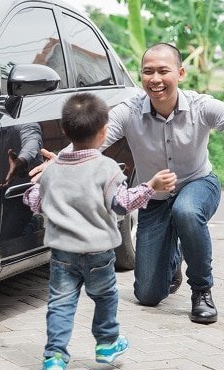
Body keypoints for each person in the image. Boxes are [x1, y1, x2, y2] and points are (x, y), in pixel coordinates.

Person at [31, 43, 224, 326]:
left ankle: (201, 291)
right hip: (154, 198)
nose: (155, 78)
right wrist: (59, 164)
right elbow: (94, 140)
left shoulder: (201, 106)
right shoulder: (129, 111)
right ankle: (174, 256)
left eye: (163, 71)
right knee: (148, 295)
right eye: (148, 71)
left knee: (186, 212)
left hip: (198, 184)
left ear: (180, 73)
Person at [23, 92, 175, 370]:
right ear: (104, 132)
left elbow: (36, 204)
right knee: (105, 296)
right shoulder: (107, 168)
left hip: (62, 253)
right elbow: (122, 204)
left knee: (60, 303)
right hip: (99, 253)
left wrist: (34, 186)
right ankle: (106, 344)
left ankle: (55, 356)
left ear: (66, 131)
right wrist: (151, 185)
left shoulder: (52, 170)